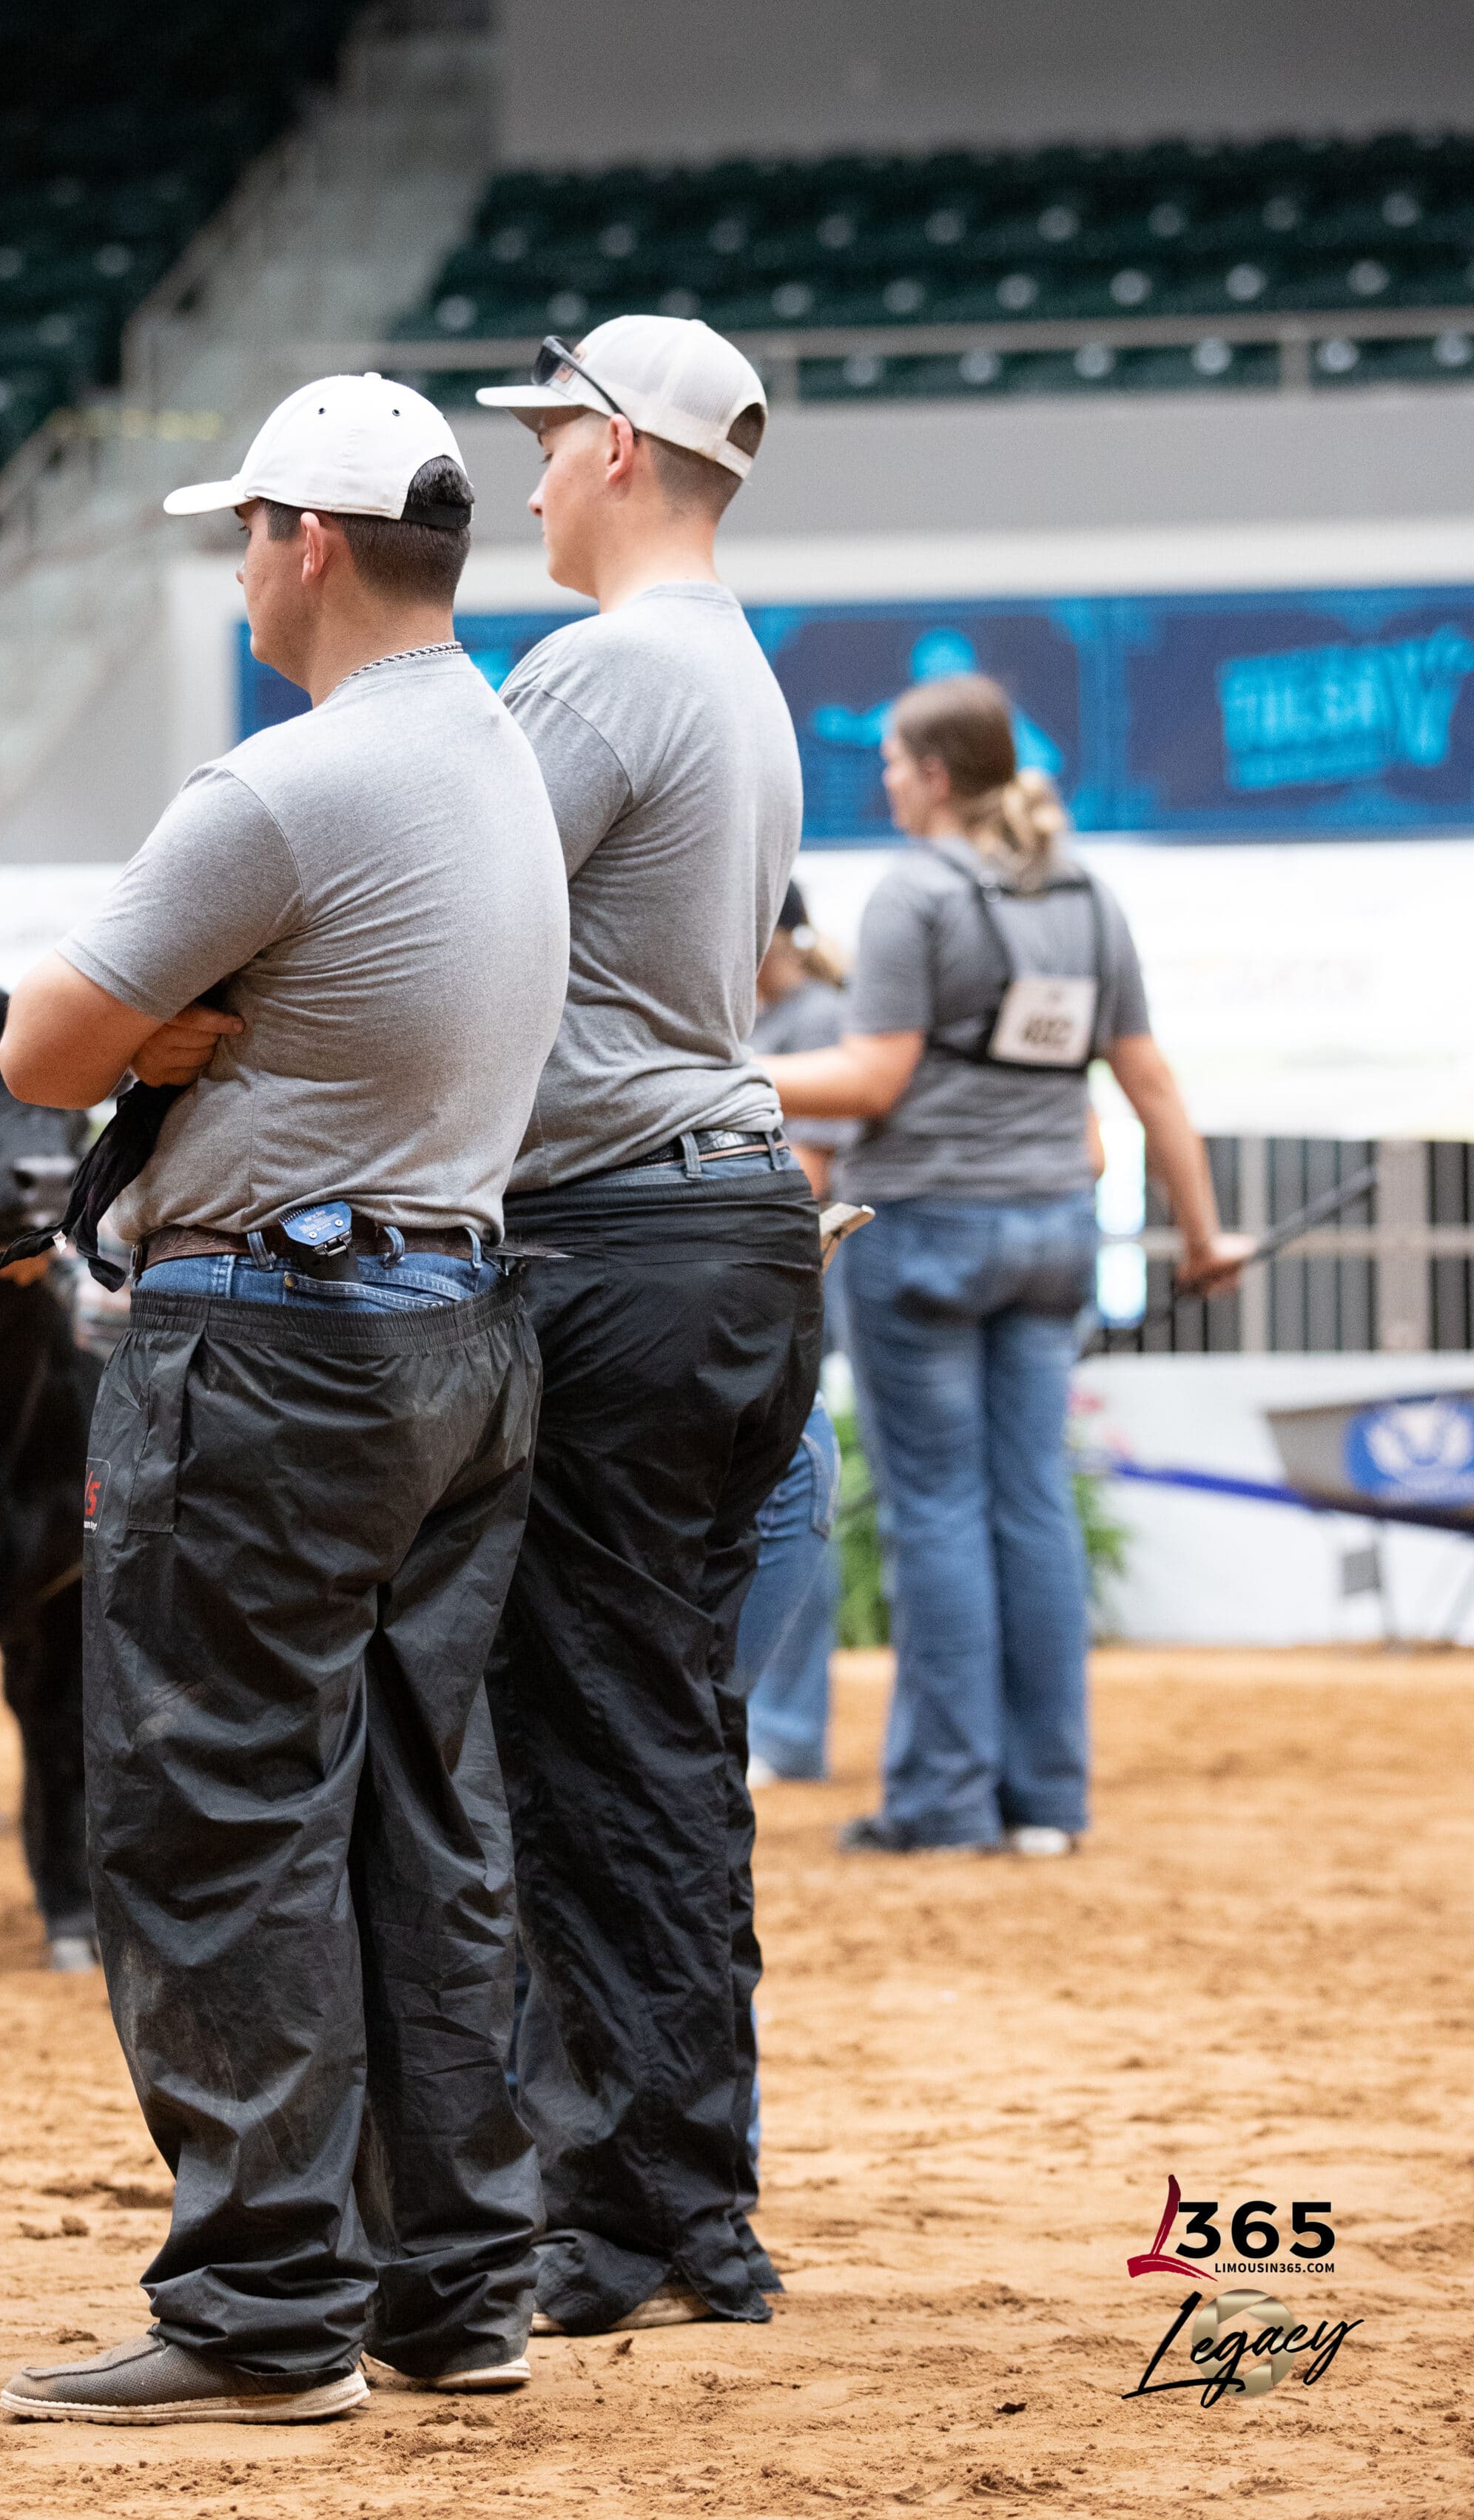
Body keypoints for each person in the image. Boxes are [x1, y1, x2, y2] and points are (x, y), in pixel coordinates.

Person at [0, 376, 571, 2422]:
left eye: (247, 530)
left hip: (271, 1353)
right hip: (457, 1333)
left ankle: (258, 2310)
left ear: (309, 546)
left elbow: (43, 1051)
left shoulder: (279, 790)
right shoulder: (497, 748)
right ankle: (459, 2284)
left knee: (220, 1803)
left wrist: (174, 1040)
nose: (239, 564)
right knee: (428, 1804)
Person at [472, 317, 824, 2337]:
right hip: (726, 1244)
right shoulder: (742, 669)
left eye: (544, 446)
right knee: (672, 1730)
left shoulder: (603, 667)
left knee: (595, 1732)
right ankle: (692, 2200)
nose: (525, 483)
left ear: (619, 451)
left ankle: (618, 2212)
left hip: (615, 1243)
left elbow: (445, 894)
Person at [758, 672, 1248, 1859]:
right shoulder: (1085, 894)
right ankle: (1047, 1803)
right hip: (1052, 1231)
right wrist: (1202, 1230)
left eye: (890, 763)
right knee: (1032, 1505)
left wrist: (709, 1081)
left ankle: (943, 1802)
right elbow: (1149, 1081)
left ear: (932, 775)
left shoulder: (915, 895)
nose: (882, 781)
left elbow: (870, 1081)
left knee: (937, 1511)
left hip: (929, 1225)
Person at [734, 884, 851, 1785]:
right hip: (756, 1286)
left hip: (788, 1284)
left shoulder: (815, 1020)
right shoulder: (778, 1017)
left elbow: (803, 1174)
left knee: (793, 1486)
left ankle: (787, 1725)